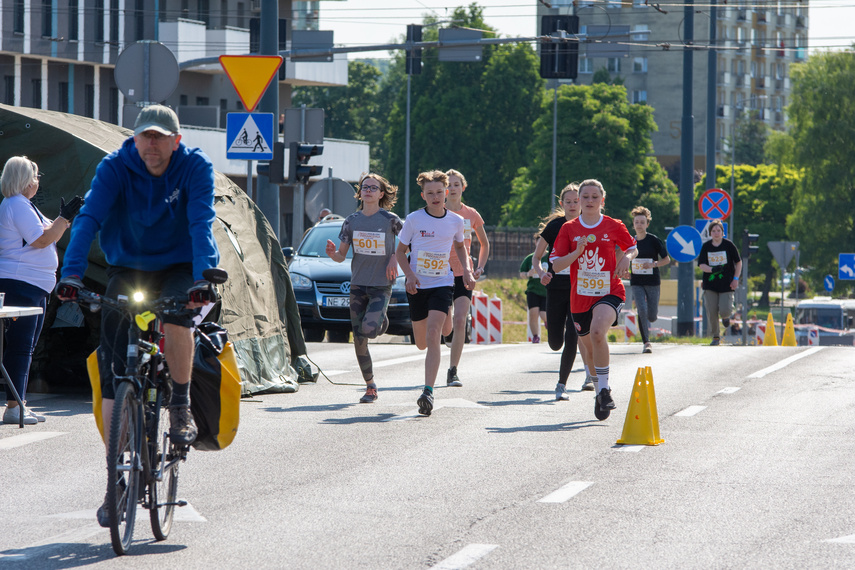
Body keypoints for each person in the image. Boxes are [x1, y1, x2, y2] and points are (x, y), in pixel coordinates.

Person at [55, 105, 220, 526]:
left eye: (160, 136)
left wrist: (204, 279)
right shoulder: (115, 167)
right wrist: (71, 273)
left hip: (180, 266)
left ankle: (180, 405)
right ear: (135, 138)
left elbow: (201, 222)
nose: (152, 144)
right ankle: (116, 479)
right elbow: (89, 218)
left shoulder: (194, 166)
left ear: (175, 140)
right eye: (145, 136)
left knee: (179, 318)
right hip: (128, 268)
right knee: (112, 367)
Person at [0, 156, 83, 425]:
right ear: (25, 180)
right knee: (21, 347)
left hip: (31, 283)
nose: (37, 181)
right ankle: (14, 406)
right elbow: (42, 239)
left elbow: (47, 231)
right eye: (35, 176)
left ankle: (17, 403)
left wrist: (62, 220)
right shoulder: (17, 204)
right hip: (22, 282)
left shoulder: (21, 205)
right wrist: (64, 218)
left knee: (24, 347)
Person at [551, 179, 637, 416]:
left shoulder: (613, 225)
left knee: (599, 331)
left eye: (594, 197)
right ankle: (600, 390)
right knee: (589, 349)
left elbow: (632, 247)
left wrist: (626, 258)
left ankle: (605, 389)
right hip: (580, 297)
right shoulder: (568, 229)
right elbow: (556, 265)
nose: (589, 201)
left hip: (610, 290)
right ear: (578, 201)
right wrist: (576, 252)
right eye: (585, 197)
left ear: (602, 200)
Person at [395, 170, 474, 416]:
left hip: (443, 282)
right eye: (430, 193)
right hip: (418, 285)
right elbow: (399, 252)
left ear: (447, 192)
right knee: (421, 343)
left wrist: (468, 271)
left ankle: (427, 390)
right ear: (423, 195)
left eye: (440, 191)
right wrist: (409, 274)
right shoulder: (414, 220)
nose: (436, 196)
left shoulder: (455, 221)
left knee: (433, 334)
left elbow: (461, 247)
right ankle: (446, 318)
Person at [325, 173, 402, 404]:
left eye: (373, 187)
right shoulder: (352, 221)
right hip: (358, 285)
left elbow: (411, 242)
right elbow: (341, 256)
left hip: (381, 285)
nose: (368, 190)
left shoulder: (391, 220)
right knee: (359, 339)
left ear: (381, 193)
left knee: (369, 329)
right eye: (364, 187)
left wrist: (395, 258)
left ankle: (381, 321)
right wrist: (333, 255)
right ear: (360, 192)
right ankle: (370, 386)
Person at [532, 183, 592, 401]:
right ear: (562, 204)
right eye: (569, 202)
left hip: (580, 286)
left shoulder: (588, 224)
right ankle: (555, 338)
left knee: (573, 334)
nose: (573, 205)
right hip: (556, 287)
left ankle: (561, 385)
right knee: (555, 342)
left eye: (577, 201)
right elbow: (536, 258)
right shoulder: (555, 226)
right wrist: (541, 273)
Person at [440, 169, 488, 387]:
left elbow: (485, 244)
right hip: (439, 273)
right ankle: (448, 336)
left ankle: (453, 371)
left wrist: (479, 267)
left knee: (460, 319)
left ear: (463, 187)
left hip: (464, 273)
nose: (452, 188)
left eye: (456, 184)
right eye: (448, 185)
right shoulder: (436, 212)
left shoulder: (471, 214)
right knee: (446, 325)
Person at [628, 206, 670, 354]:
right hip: (636, 281)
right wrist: (626, 271)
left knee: (651, 315)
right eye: (636, 222)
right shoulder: (630, 241)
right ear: (633, 224)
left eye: (642, 222)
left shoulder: (653, 240)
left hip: (652, 281)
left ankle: (652, 317)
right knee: (641, 309)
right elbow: (624, 258)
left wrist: (654, 264)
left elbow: (666, 259)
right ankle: (646, 342)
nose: (639, 225)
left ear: (647, 224)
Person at [697, 218, 741, 346]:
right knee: (711, 310)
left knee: (725, 310)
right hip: (710, 284)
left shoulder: (729, 245)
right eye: (713, 231)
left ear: (723, 232)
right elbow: (701, 264)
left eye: (718, 230)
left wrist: (736, 279)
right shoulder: (706, 246)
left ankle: (726, 317)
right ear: (710, 233)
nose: (716, 233)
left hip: (727, 284)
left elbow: (738, 262)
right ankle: (716, 337)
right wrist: (712, 269)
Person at [519, 247, 548, 343]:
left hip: (546, 291)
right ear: (536, 243)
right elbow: (521, 273)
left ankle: (550, 324)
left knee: (544, 314)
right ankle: (536, 336)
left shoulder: (550, 257)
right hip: (533, 290)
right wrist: (528, 274)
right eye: (538, 241)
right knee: (533, 314)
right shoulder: (530, 258)